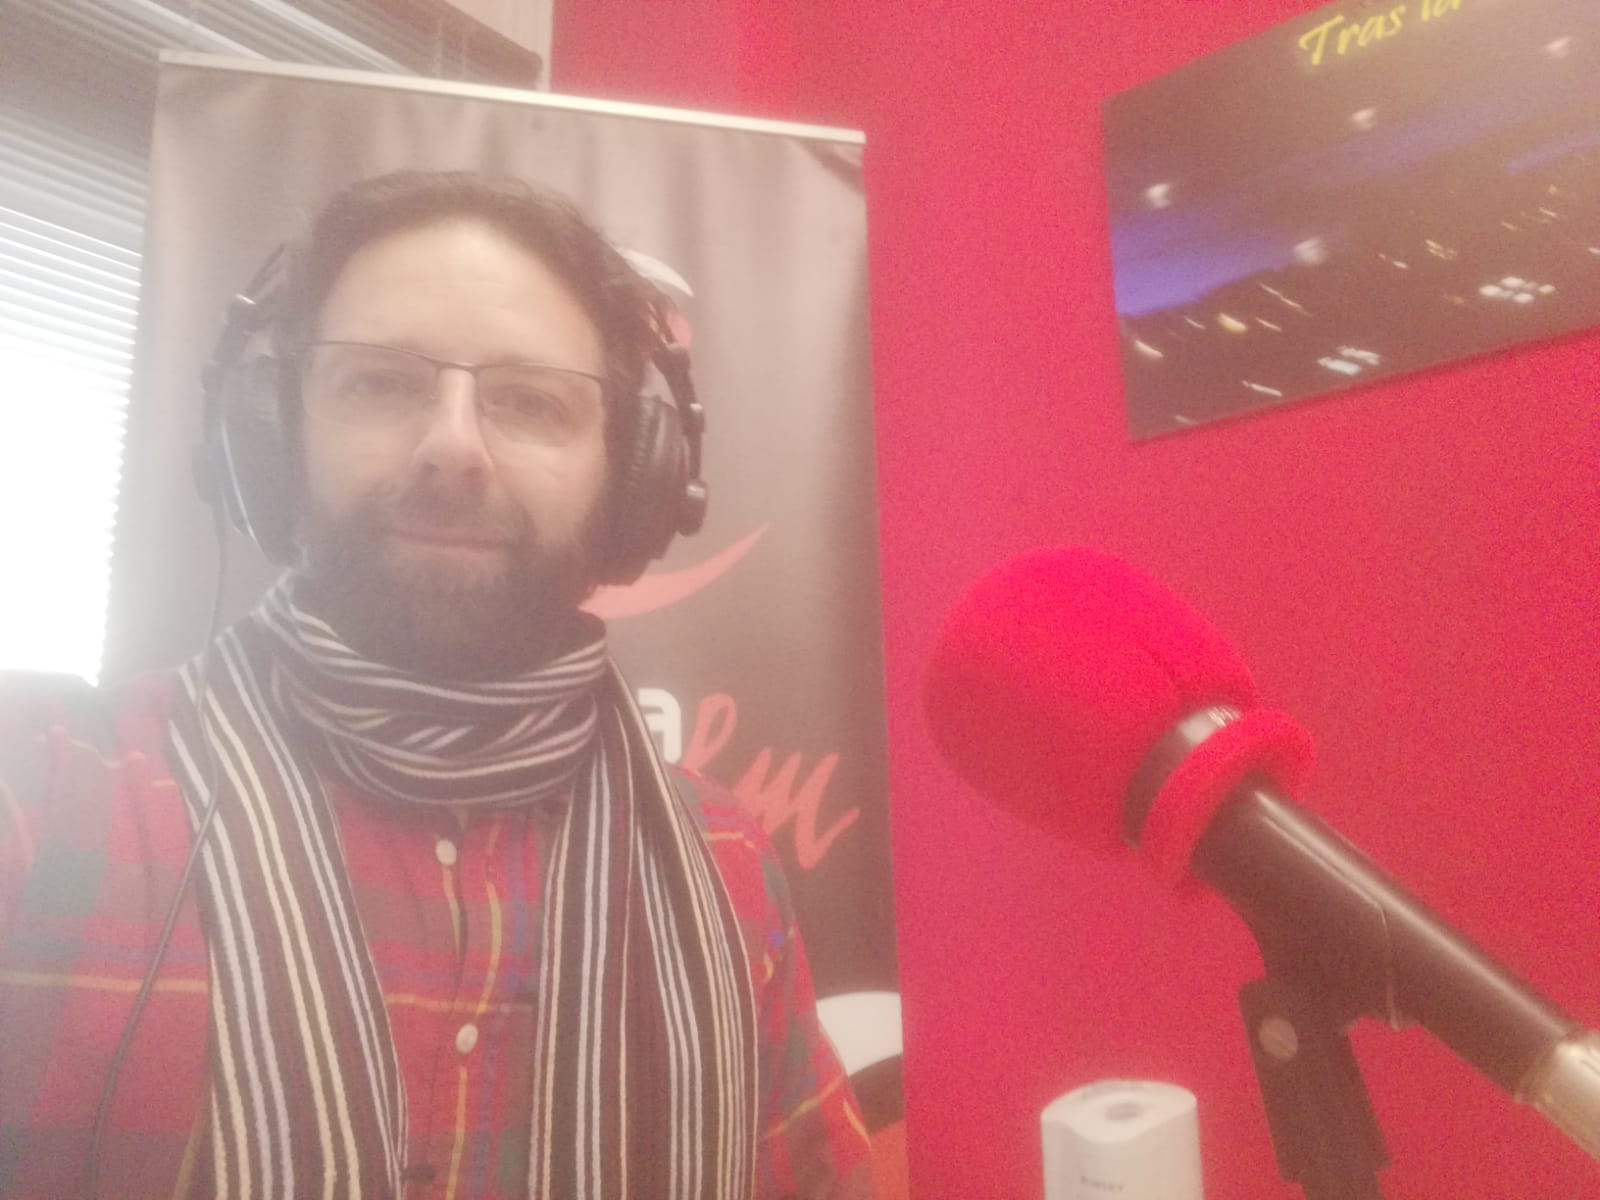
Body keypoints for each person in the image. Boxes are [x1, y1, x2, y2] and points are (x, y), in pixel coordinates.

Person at [0, 170, 873, 1200]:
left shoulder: (728, 868)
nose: (453, 448)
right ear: (270, 437)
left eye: (531, 401)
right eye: (380, 383)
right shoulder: (39, 791)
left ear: (635, 478)